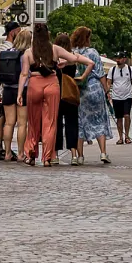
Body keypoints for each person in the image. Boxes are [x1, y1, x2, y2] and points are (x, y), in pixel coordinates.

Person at [19, 23, 88, 166]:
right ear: (48, 35)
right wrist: (65, 63)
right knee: (50, 122)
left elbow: (24, 73)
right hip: (51, 83)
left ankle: (31, 153)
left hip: (34, 84)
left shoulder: (28, 52)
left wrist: (20, 93)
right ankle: (47, 158)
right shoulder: (55, 49)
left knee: (33, 122)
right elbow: (74, 58)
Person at [72, 27, 114, 164]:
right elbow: (101, 74)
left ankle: (80, 156)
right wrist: (107, 91)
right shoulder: (93, 52)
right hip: (95, 88)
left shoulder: (72, 53)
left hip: (79, 91)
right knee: (99, 120)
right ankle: (103, 153)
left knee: (80, 123)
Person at [0, 23, 27, 162]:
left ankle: (6, 152)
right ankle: (20, 153)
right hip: (21, 90)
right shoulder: (24, 54)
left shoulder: (3, 51)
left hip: (6, 89)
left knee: (8, 123)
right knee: (21, 123)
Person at [53, 32, 85, 164]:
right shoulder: (72, 58)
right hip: (70, 94)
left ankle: (55, 155)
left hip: (56, 93)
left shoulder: (54, 58)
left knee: (57, 124)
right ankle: (73, 155)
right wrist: (81, 78)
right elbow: (90, 63)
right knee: (72, 124)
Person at [108, 51, 132, 145]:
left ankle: (127, 136)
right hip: (116, 96)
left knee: (127, 115)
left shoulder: (130, 69)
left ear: (124, 59)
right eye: (116, 58)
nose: (118, 60)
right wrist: (107, 93)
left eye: (120, 58)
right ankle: (120, 137)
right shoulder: (112, 70)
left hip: (127, 96)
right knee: (119, 118)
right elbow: (108, 82)